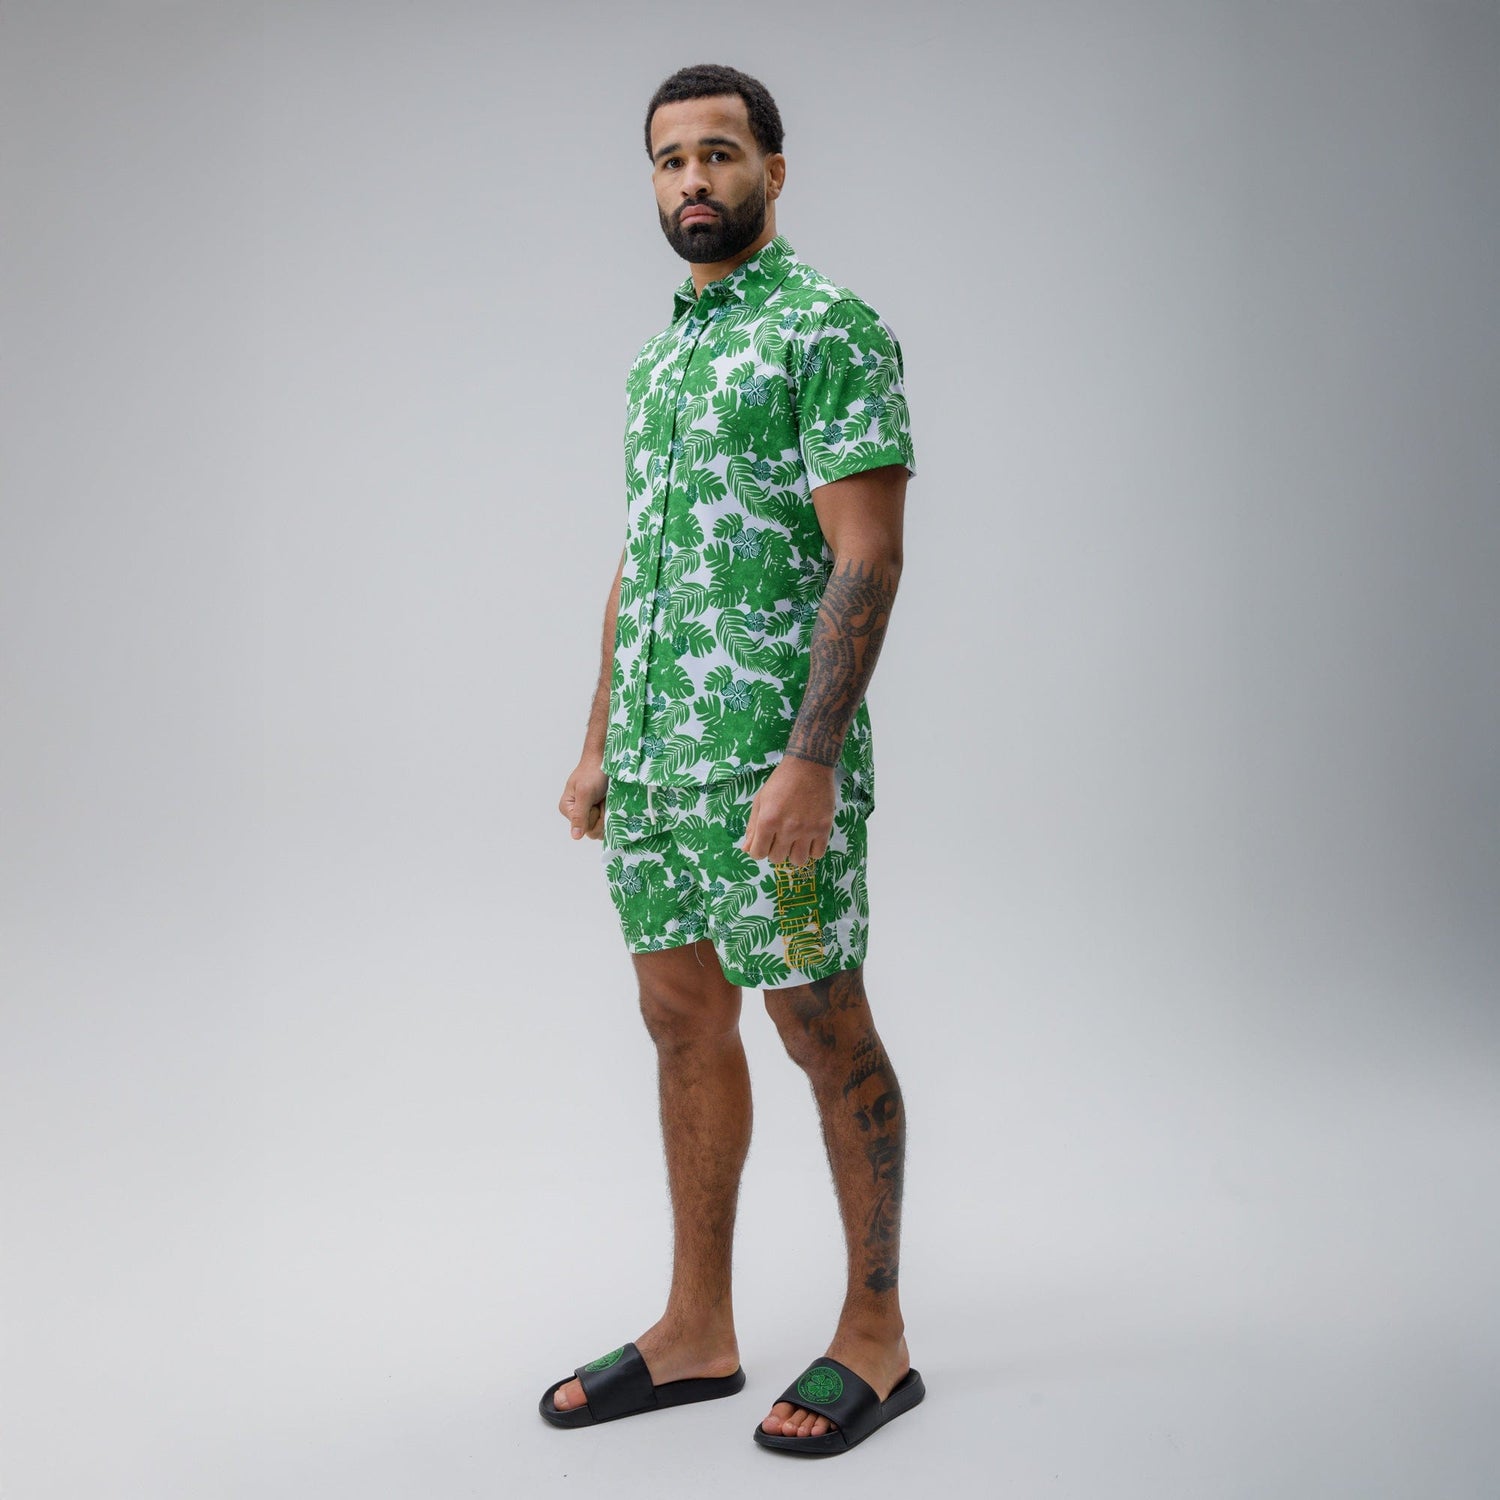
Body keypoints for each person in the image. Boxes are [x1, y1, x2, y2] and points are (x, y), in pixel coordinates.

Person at [541, 62, 924, 1457]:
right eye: (669, 161)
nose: (692, 180)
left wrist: (811, 760)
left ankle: (875, 1337)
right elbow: (641, 559)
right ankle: (696, 1327)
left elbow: (867, 555)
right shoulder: (661, 360)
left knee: (821, 1023)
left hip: (771, 770)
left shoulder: (830, 329)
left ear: (773, 167)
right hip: (657, 770)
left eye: (717, 153)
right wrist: (599, 743)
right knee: (679, 1019)